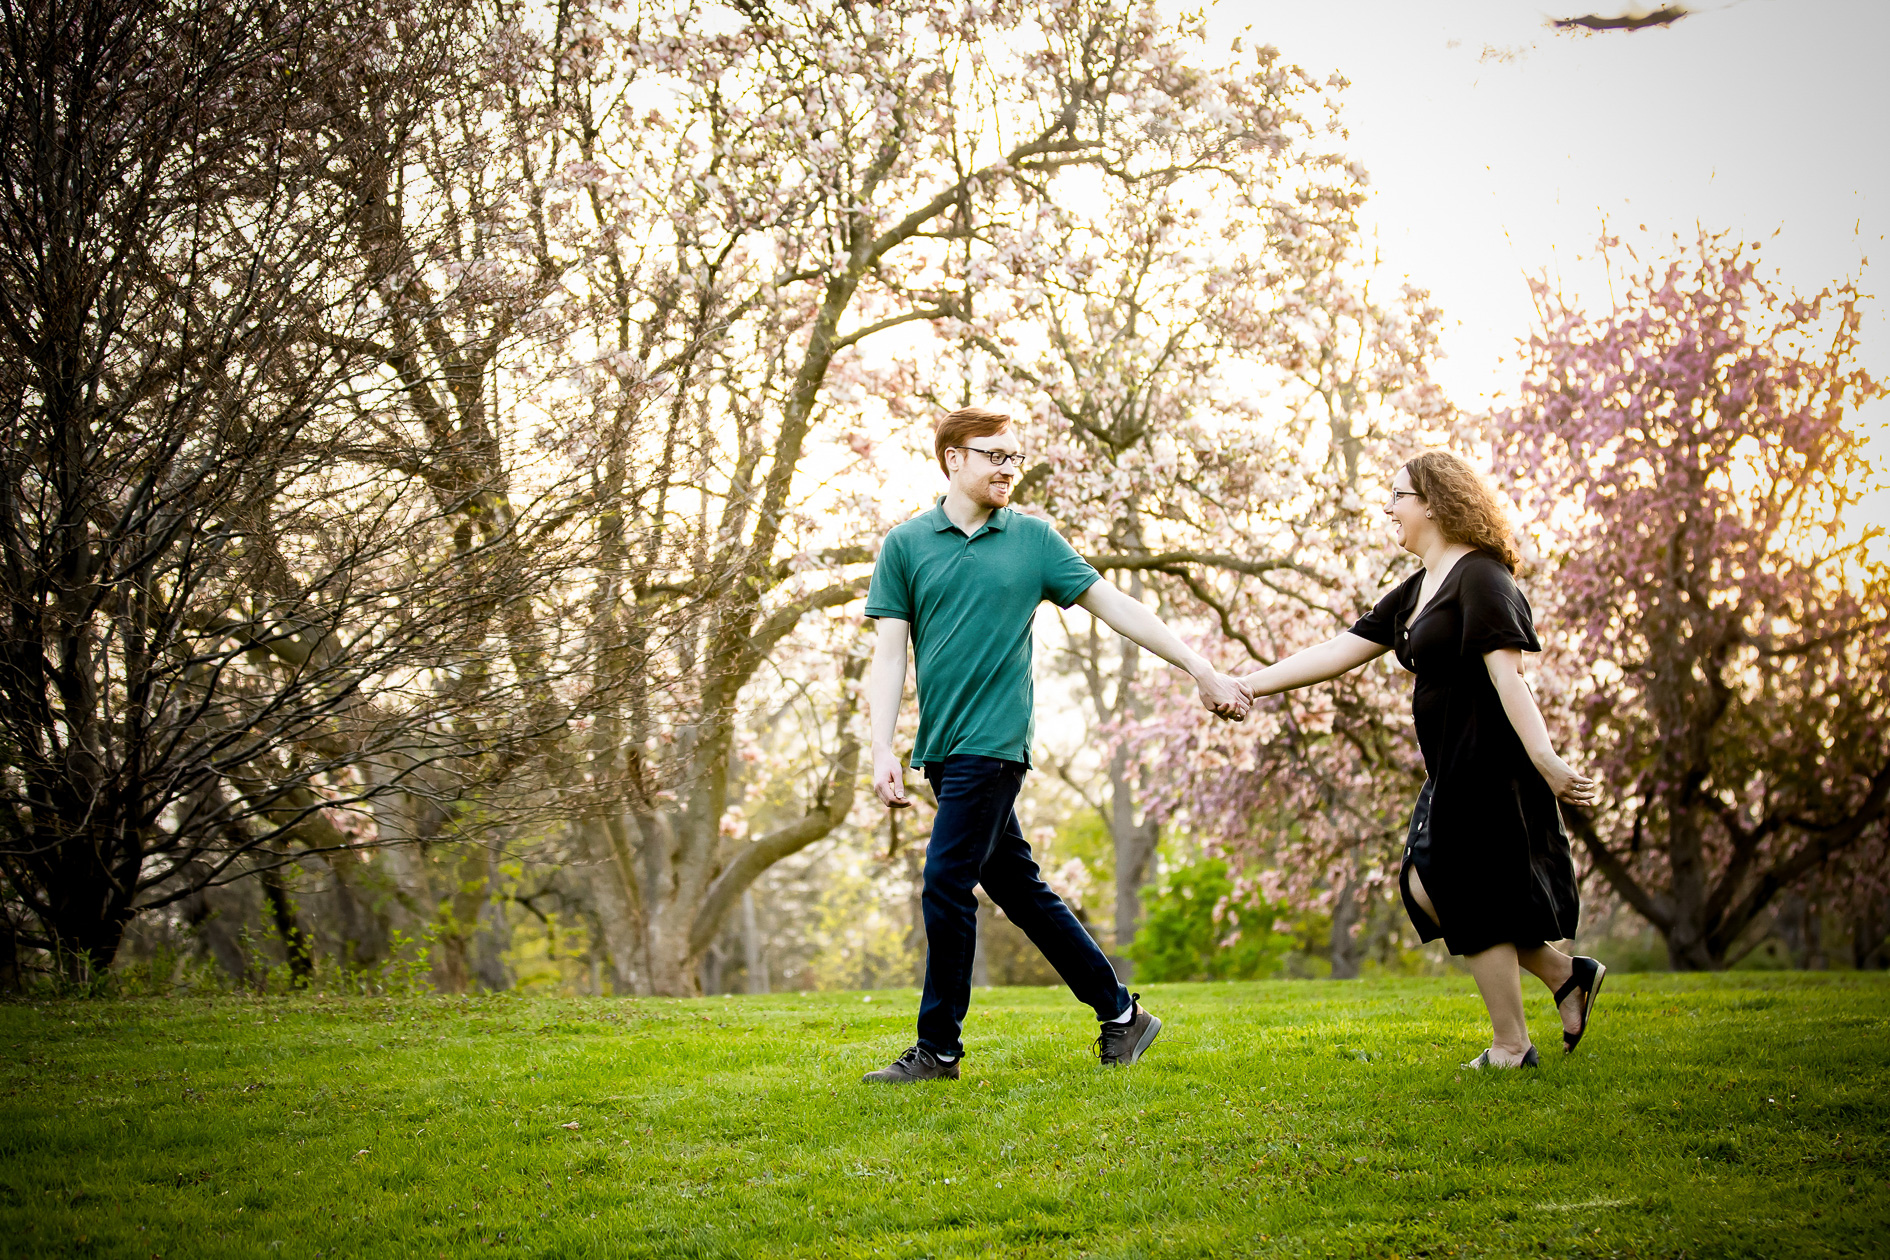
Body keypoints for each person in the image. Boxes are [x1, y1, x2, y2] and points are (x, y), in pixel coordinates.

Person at [861, 406, 1251, 1083]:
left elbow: (1117, 606)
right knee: (1018, 888)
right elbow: (889, 655)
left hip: (995, 742)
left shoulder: (1035, 541)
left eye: (1016, 455)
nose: (1010, 466)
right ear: (954, 459)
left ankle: (938, 1050)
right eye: (994, 454)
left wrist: (1199, 665)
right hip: (943, 750)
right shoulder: (906, 546)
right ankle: (1122, 1017)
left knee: (945, 883)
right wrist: (881, 747)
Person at [1238, 451, 1606, 1068]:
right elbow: (1340, 649)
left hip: (1490, 764)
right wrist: (1247, 682)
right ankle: (1564, 975)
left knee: (1449, 885)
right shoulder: (1418, 589)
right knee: (1430, 886)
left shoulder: (1482, 577)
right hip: (1451, 766)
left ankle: (1512, 1045)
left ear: (1432, 502)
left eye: (1397, 496)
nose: (1389, 508)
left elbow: (1509, 679)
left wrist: (1547, 760)